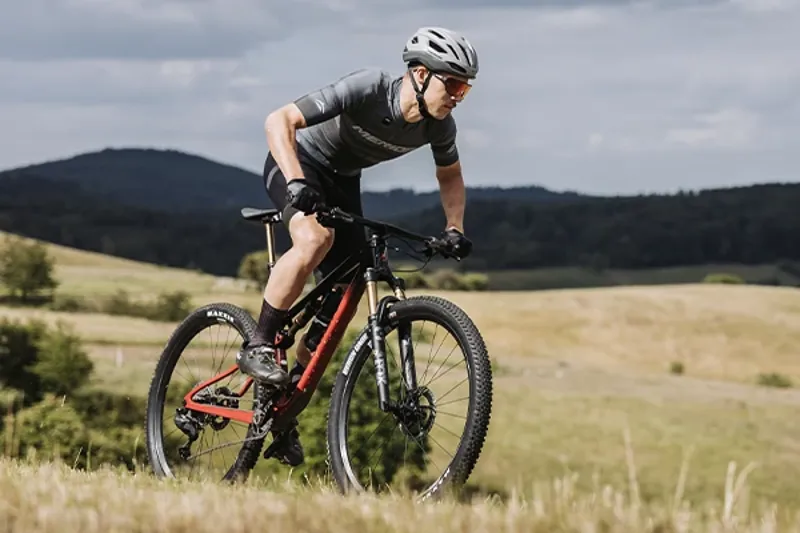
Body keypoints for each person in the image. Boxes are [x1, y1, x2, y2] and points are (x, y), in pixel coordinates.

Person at [236, 26, 478, 467]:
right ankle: (259, 343)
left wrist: (454, 227)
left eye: (466, 88)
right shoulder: (369, 87)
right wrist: (294, 182)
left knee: (341, 296)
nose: (460, 95)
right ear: (421, 75)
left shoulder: (438, 125)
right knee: (316, 239)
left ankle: (283, 410)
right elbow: (279, 121)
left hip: (344, 181)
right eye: (455, 84)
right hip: (299, 161)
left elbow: (450, 175)